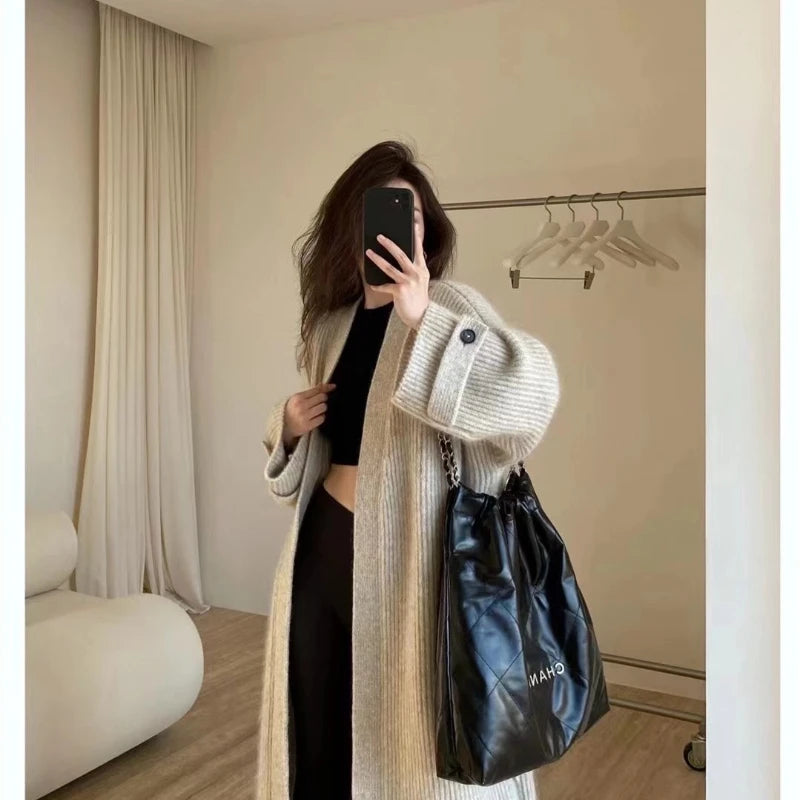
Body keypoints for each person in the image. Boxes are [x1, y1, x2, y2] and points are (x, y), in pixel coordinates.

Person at [256, 140, 560, 800]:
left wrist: (426, 323)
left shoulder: (451, 306)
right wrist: (287, 426)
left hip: (413, 566)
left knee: (408, 750)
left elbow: (533, 398)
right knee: (317, 723)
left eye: (414, 217)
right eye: (386, 214)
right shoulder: (331, 328)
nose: (402, 230)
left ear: (428, 231)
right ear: (352, 226)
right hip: (321, 553)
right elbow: (315, 464)